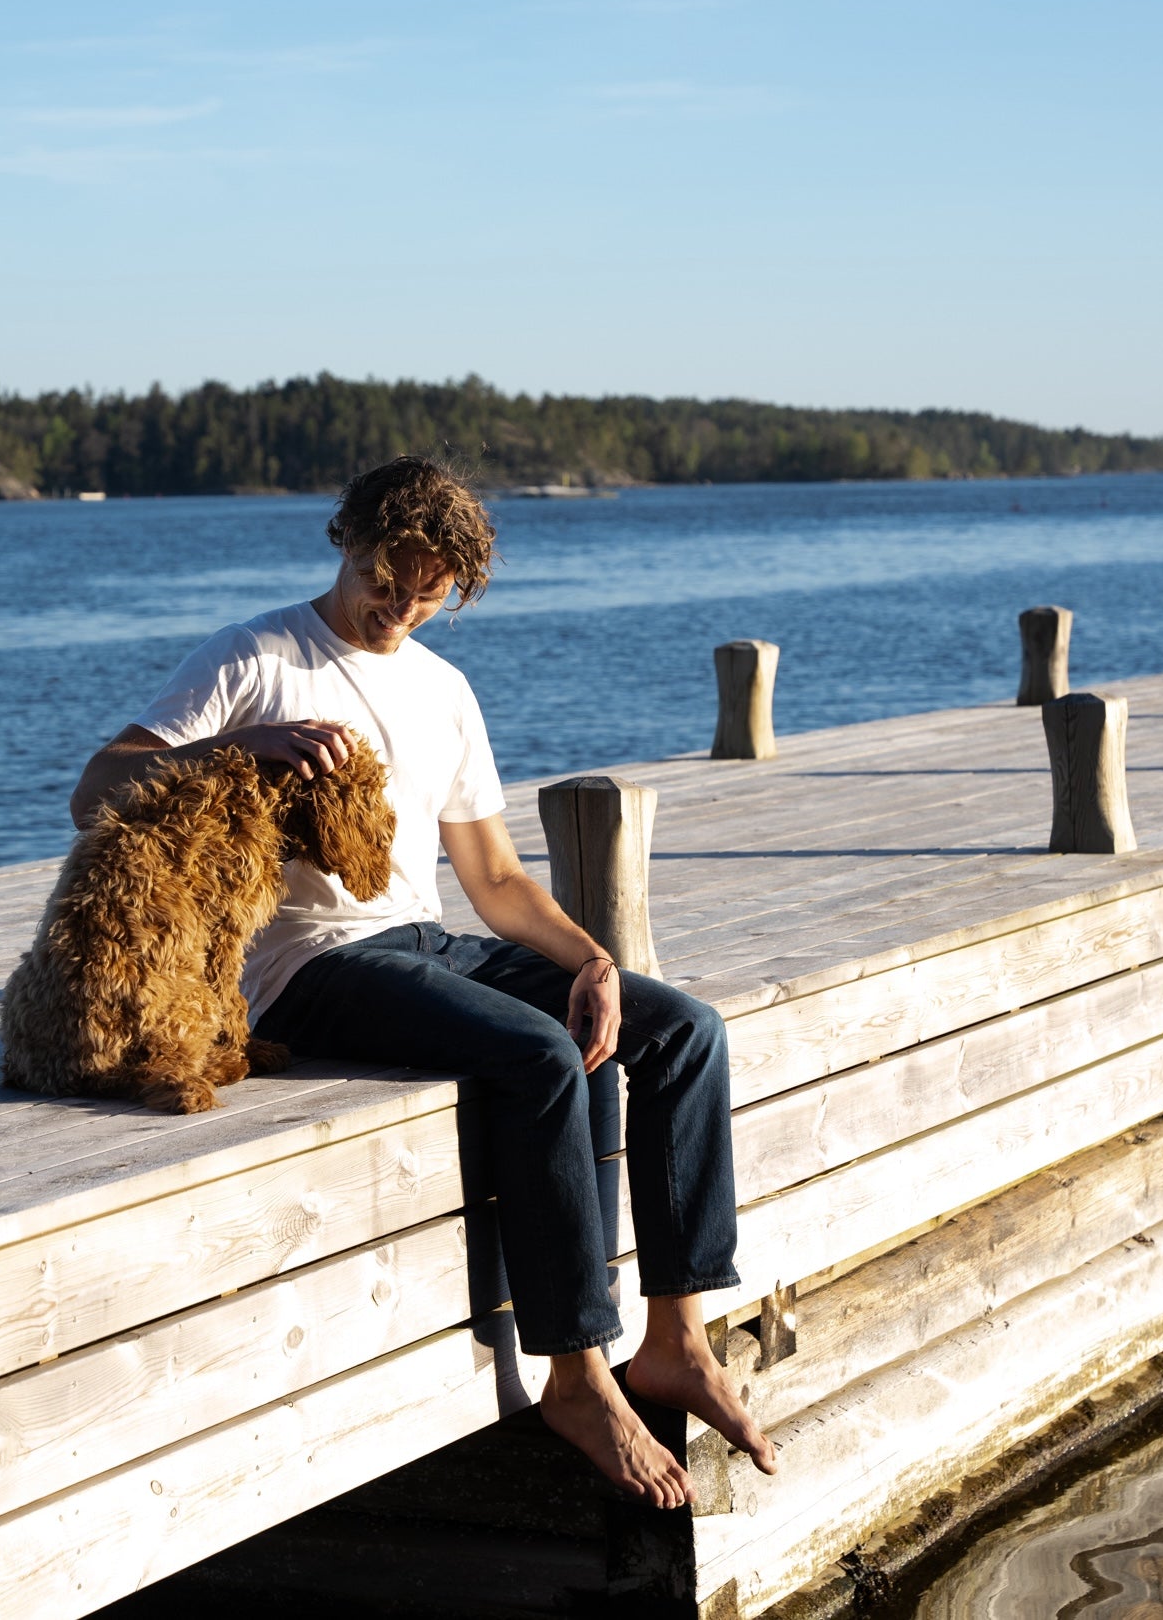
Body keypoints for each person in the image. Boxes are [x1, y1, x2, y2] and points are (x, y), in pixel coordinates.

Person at [71, 456, 776, 1507]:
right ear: (343, 542)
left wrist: (589, 962)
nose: (399, 608)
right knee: (538, 1058)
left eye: (426, 595)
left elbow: (490, 880)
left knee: (681, 1031)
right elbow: (94, 794)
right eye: (383, 581)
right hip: (305, 967)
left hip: (422, 940)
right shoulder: (255, 657)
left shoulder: (443, 690)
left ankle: (672, 1337)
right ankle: (576, 1373)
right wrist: (241, 745)